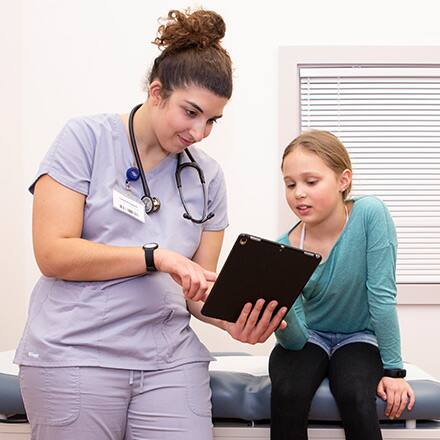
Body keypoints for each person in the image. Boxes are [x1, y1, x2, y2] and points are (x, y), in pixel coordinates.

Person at [14, 9, 287, 440]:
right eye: (191, 113)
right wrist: (154, 257)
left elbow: (197, 290)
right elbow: (53, 253)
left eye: (213, 120)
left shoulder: (208, 176)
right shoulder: (86, 139)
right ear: (156, 92)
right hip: (76, 353)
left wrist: (229, 320)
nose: (200, 132)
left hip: (169, 361)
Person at [269, 130, 415, 440]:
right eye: (290, 184)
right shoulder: (284, 249)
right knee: (288, 393)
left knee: (354, 395)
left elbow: (382, 298)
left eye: (311, 182)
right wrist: (279, 316)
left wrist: (394, 371)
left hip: (359, 337)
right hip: (311, 336)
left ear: (343, 180)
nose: (298, 194)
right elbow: (295, 341)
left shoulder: (370, 215)